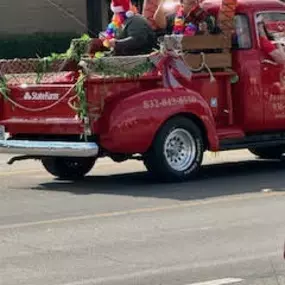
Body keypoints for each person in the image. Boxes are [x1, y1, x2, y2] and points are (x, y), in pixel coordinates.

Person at [153, 0, 219, 36]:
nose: (195, 5)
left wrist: (204, 32)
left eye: (196, 2)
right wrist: (162, 2)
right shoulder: (174, 16)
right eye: (191, 3)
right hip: (176, 53)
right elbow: (160, 23)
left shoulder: (206, 17)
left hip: (197, 55)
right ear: (182, 3)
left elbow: (213, 39)